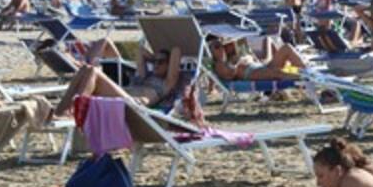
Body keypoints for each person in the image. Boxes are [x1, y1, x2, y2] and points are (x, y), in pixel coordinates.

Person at [53, 45, 183, 118]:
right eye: (155, 62)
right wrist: (153, 58)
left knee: (93, 71)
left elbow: (176, 50)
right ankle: (59, 111)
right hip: (121, 95)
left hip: (134, 104)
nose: (156, 64)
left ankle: (76, 111)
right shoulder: (145, 76)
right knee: (85, 69)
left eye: (161, 62)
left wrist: (158, 58)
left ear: (169, 65)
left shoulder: (167, 83)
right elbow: (140, 50)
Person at [209, 38, 306, 82]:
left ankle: (307, 71)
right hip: (251, 73)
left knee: (286, 48)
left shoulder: (229, 55)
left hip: (260, 66)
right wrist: (234, 62)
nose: (220, 48)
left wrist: (247, 54)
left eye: (220, 45)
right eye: (217, 47)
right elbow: (229, 76)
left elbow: (254, 58)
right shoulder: (218, 64)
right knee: (277, 72)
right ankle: (304, 77)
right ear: (212, 51)